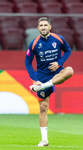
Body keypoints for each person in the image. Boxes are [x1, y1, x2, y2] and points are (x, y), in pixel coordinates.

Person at [25, 17, 74, 147]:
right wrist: (34, 80)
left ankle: (45, 86)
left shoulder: (58, 39)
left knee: (69, 70)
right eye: (41, 25)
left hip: (57, 73)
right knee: (43, 108)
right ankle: (44, 140)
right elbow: (28, 62)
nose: (43, 27)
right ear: (38, 28)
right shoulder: (34, 43)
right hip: (42, 76)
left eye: (45, 25)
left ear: (50, 27)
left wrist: (59, 63)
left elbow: (68, 50)